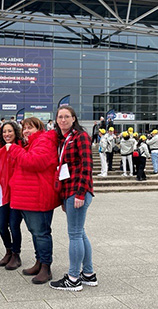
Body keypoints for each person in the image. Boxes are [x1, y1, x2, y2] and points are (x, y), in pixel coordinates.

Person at [6, 117, 59, 284]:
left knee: (41, 233)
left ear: (39, 128)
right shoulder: (33, 143)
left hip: (39, 197)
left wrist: (14, 149)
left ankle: (46, 268)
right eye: (24, 128)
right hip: (29, 197)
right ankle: (39, 262)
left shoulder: (44, 140)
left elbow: (35, 162)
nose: (26, 131)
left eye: (30, 128)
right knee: (35, 233)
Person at [49, 105, 96, 292]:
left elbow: (87, 166)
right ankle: (89, 274)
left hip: (78, 191)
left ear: (74, 119)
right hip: (68, 192)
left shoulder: (80, 137)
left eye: (66, 116)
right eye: (60, 117)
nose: (63, 120)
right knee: (80, 232)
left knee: (75, 234)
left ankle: (73, 277)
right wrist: (63, 197)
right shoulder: (63, 139)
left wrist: (80, 193)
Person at [0, 122, 24, 270]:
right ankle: (8, 250)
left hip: (16, 193)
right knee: (1, 225)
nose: (7, 134)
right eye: (4, 132)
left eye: (10, 131)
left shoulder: (21, 148)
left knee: (14, 225)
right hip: (2, 194)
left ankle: (16, 254)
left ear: (15, 132)